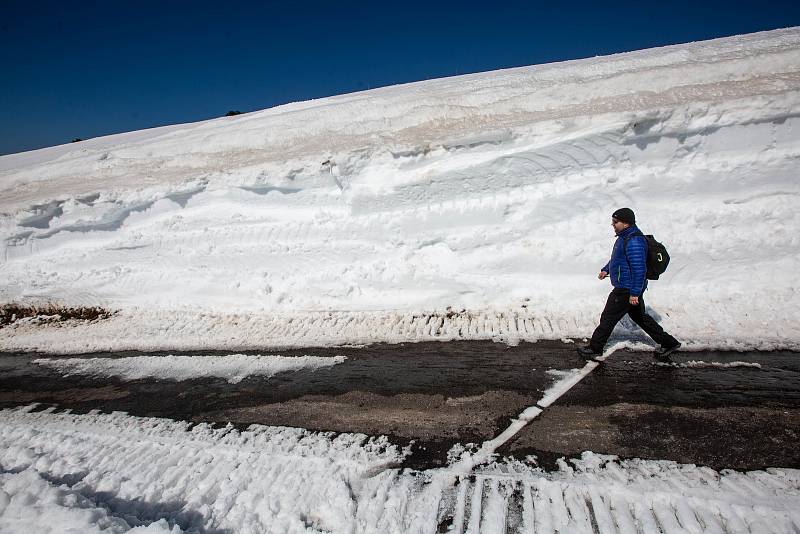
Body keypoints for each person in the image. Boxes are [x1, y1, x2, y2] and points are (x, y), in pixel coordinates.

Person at [577, 208, 681, 361]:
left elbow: (639, 269)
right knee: (640, 317)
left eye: (615, 221)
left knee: (608, 317)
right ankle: (669, 342)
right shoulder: (624, 237)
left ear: (625, 223)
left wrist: (634, 293)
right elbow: (619, 259)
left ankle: (595, 348)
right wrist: (606, 270)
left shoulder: (634, 241)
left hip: (626, 288)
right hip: (628, 287)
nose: (612, 224)